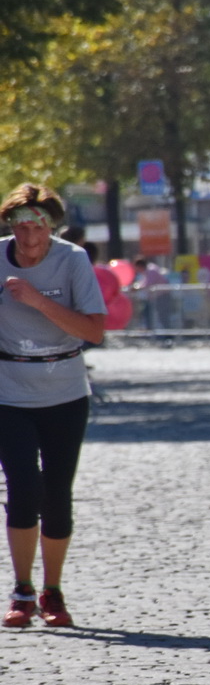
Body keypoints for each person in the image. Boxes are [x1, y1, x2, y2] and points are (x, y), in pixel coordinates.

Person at [0, 185, 106, 630]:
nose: (28, 238)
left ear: (52, 228)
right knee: (23, 488)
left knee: (57, 494)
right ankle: (22, 589)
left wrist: (38, 300)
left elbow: (94, 331)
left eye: (37, 227)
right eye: (20, 226)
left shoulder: (73, 260)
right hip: (9, 390)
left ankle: (53, 590)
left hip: (64, 390)